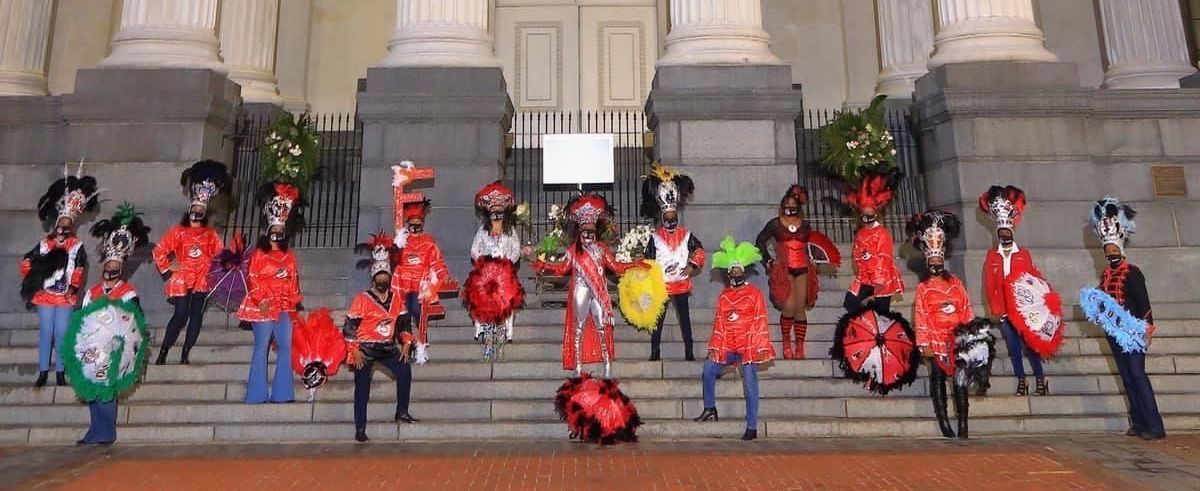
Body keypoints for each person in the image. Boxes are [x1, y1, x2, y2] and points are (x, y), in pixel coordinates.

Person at [531, 193, 645, 378]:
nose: (588, 235)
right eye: (585, 231)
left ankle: (607, 365)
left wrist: (635, 264)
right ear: (580, 230)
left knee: (602, 327)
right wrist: (543, 265)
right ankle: (577, 366)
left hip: (598, 290)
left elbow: (616, 267)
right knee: (579, 328)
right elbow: (561, 269)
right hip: (580, 290)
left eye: (591, 231)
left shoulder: (602, 249)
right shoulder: (572, 251)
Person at [1085, 197, 1165, 440]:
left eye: (1113, 248)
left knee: (1138, 376)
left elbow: (1144, 304)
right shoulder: (1105, 275)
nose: (1110, 251)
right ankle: (1138, 423)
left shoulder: (1133, 272)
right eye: (1107, 249)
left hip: (1133, 332)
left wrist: (1147, 328)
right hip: (1113, 333)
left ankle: (1155, 425)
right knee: (1128, 378)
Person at [73, 201, 151, 445]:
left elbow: (135, 321)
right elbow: (82, 317)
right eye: (109, 265)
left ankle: (106, 432)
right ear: (104, 266)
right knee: (92, 388)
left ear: (121, 268)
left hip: (115, 349)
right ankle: (95, 429)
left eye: (116, 266)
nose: (111, 269)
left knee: (106, 387)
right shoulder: (92, 292)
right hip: (92, 347)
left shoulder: (128, 292)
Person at [21, 166, 99, 387]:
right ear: (56, 225)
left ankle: (60, 372)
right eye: (61, 225)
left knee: (63, 333)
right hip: (45, 295)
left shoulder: (77, 246)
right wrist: (33, 279)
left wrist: (74, 287)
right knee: (46, 331)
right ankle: (43, 371)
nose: (64, 229)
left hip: (65, 296)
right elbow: (27, 261)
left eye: (67, 225)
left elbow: (80, 268)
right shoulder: (45, 245)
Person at [694, 236, 774, 441]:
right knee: (708, 370)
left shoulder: (755, 293)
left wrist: (756, 346)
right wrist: (716, 347)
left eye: (738, 270)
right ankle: (710, 407)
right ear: (728, 273)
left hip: (747, 344)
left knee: (749, 382)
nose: (735, 273)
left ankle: (752, 426)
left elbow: (760, 320)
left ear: (744, 271)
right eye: (732, 271)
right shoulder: (724, 296)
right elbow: (719, 323)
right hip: (728, 344)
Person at [909, 210, 976, 439]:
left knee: (960, 383)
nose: (936, 263)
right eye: (933, 261)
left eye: (939, 260)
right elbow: (921, 316)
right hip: (935, 341)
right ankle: (944, 422)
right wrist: (924, 344)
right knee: (937, 379)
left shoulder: (956, 283)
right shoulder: (923, 289)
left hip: (957, 341)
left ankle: (964, 425)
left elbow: (966, 309)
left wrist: (971, 336)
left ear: (943, 259)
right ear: (928, 262)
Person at [153, 160, 227, 365]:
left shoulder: (211, 235)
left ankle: (185, 353)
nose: (197, 212)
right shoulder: (178, 232)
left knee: (196, 316)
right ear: (189, 209)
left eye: (200, 209)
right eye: (194, 207)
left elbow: (220, 256)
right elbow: (159, 249)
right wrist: (169, 267)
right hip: (182, 278)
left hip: (202, 280)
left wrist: (222, 266)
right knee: (180, 313)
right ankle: (164, 351)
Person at [236, 183, 304, 404]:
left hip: (284, 307)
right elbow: (253, 278)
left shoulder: (290, 257)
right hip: (263, 306)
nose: (277, 234)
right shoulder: (258, 254)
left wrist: (293, 303)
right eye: (274, 231)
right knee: (261, 346)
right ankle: (256, 395)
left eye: (280, 231)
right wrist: (261, 300)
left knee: (285, 347)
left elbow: (294, 282)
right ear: (268, 231)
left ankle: (283, 394)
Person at [345, 233, 416, 442]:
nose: (383, 278)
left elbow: (403, 324)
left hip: (387, 347)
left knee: (404, 371)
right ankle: (360, 428)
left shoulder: (396, 300)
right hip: (365, 349)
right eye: (379, 276)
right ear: (374, 277)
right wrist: (354, 350)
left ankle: (401, 410)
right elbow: (349, 326)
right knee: (362, 388)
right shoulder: (362, 299)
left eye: (386, 275)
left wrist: (406, 343)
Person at [980, 185, 1049, 396]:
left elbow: (1032, 281)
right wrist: (995, 310)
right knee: (1014, 349)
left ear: (1012, 231)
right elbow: (990, 285)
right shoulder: (992, 257)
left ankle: (1040, 378)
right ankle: (1021, 380)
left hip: (1023, 310)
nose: (1004, 235)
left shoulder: (1024, 255)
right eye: (1001, 232)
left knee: (1031, 347)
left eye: (1007, 232)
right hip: (1004, 312)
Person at [755, 185, 839, 359]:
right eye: (787, 205)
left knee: (800, 309)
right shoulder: (775, 224)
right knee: (789, 306)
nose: (790, 208)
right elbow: (760, 241)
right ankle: (786, 339)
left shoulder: (805, 225)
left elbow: (810, 245)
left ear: (798, 207)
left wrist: (815, 262)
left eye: (793, 205)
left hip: (803, 269)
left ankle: (799, 345)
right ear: (782, 205)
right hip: (784, 268)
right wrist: (768, 261)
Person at [391, 162, 455, 364]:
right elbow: (392, 258)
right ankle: (406, 346)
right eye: (412, 226)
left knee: (416, 310)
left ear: (423, 225)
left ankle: (420, 344)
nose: (415, 229)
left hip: (420, 288)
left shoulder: (429, 242)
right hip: (401, 285)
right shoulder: (401, 240)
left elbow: (437, 262)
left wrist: (445, 277)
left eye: (418, 226)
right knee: (400, 315)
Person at [641, 163, 704, 361]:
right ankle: (654, 351)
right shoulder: (655, 237)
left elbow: (700, 251)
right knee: (657, 321)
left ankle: (689, 351)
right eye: (667, 219)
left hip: (682, 284)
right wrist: (650, 276)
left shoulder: (687, 235)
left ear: (676, 216)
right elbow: (647, 260)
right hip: (662, 286)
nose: (670, 222)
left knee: (685, 320)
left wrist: (692, 266)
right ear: (662, 217)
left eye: (673, 218)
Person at [465, 181, 524, 361]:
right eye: (493, 213)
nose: (496, 216)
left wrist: (508, 262)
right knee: (485, 306)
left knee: (503, 306)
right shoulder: (482, 232)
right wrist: (483, 261)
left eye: (499, 212)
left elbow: (516, 249)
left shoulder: (510, 231)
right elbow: (474, 250)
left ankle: (501, 337)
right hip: (485, 276)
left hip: (504, 276)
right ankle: (487, 340)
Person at [842, 171, 905, 315]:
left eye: (869, 214)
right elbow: (857, 254)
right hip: (865, 278)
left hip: (881, 279)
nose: (866, 217)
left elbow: (884, 258)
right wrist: (860, 265)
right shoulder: (860, 233)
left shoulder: (882, 233)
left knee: (881, 314)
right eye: (863, 213)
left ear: (875, 214)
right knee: (851, 302)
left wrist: (878, 285)